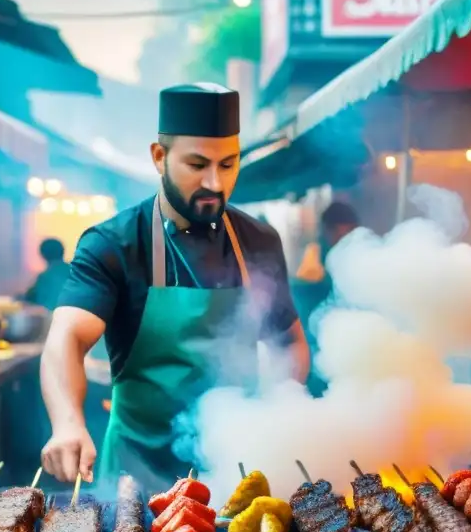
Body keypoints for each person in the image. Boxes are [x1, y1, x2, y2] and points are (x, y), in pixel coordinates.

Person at [40, 83, 309, 488]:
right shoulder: (114, 244)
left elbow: (288, 343)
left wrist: (279, 408)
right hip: (135, 478)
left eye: (228, 164)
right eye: (197, 165)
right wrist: (67, 423)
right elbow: (68, 338)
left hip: (235, 472)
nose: (215, 184)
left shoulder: (259, 241)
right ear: (159, 156)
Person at [292, 201, 360, 395]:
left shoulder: (353, 256)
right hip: (317, 343)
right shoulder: (314, 258)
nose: (347, 236)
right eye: (343, 230)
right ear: (329, 230)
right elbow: (305, 304)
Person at [23, 238, 71, 310]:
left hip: (52, 318)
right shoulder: (77, 272)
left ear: (42, 255)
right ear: (63, 251)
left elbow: (30, 297)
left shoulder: (44, 278)